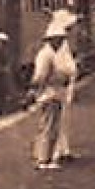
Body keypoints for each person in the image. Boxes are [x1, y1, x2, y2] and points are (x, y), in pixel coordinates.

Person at [30, 12, 78, 170]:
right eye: (58, 39)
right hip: (49, 94)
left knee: (52, 127)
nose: (61, 42)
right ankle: (43, 159)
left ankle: (47, 157)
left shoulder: (52, 53)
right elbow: (40, 77)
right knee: (48, 127)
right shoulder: (46, 55)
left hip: (55, 94)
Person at [51, 8, 81, 162]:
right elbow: (59, 68)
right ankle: (56, 152)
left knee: (63, 121)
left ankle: (64, 149)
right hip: (58, 88)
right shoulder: (57, 46)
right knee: (57, 120)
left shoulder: (63, 45)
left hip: (64, 88)